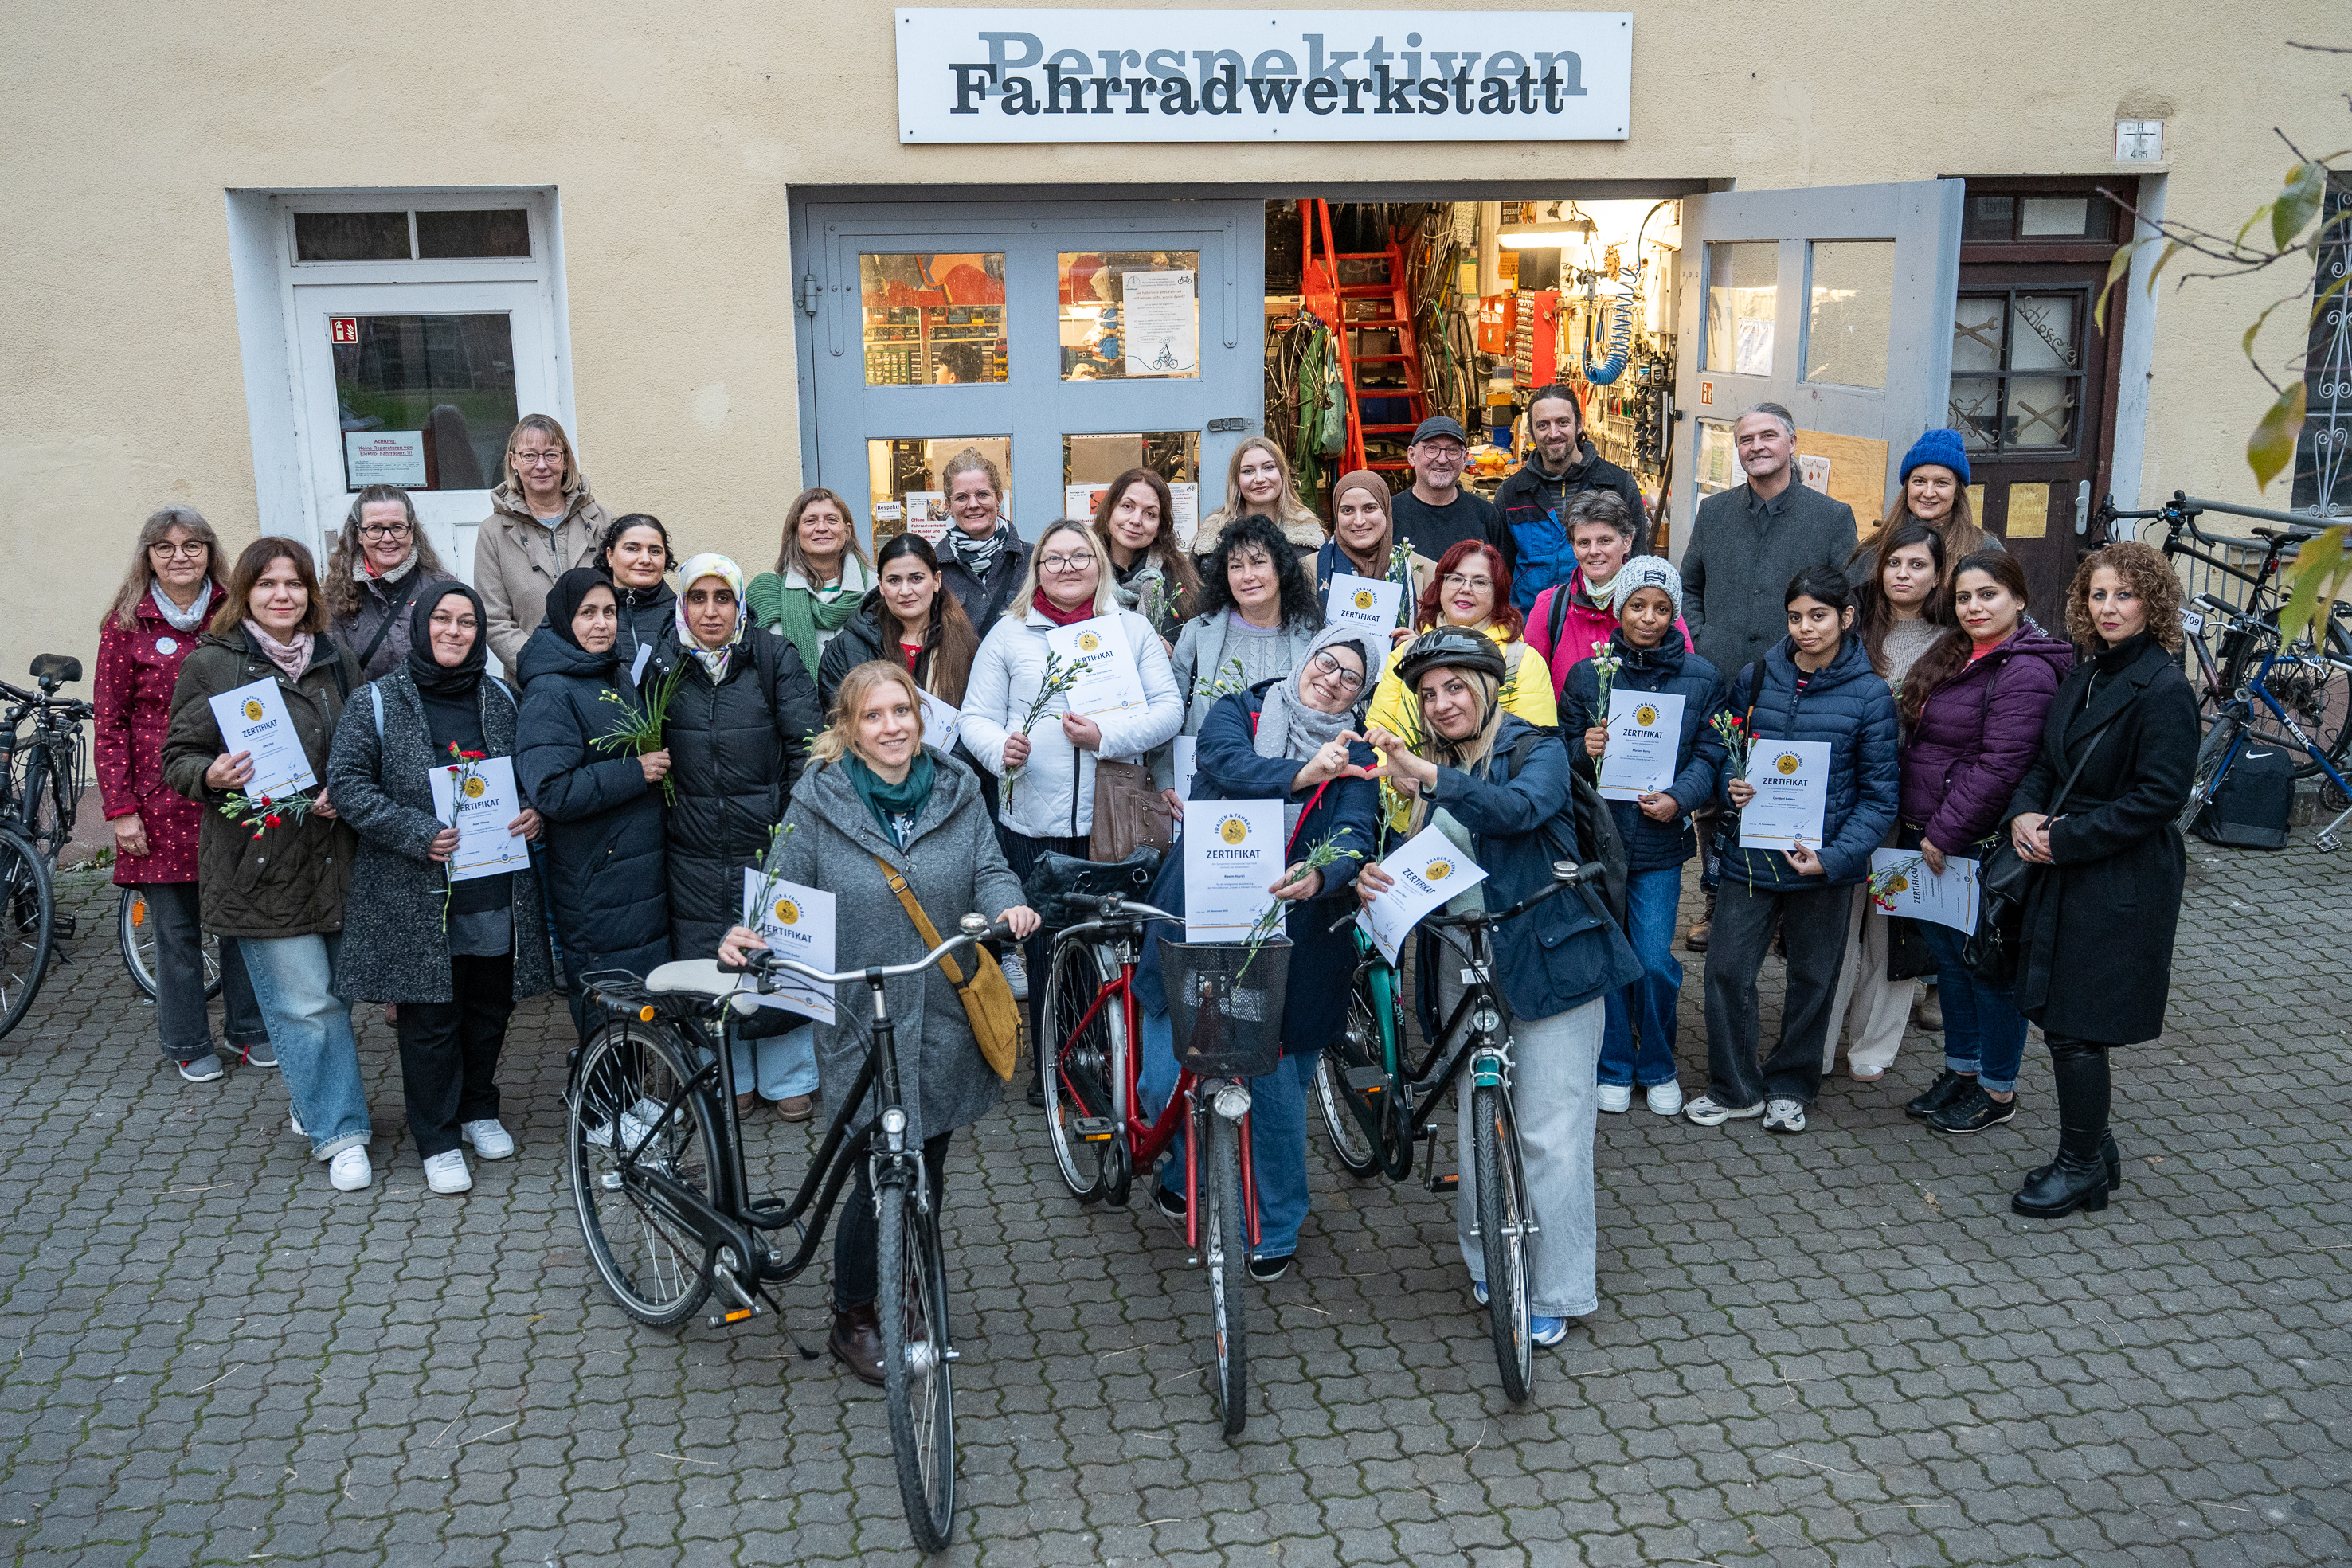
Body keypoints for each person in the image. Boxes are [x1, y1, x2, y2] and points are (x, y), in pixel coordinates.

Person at [715, 660, 1039, 1384]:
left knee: (930, 1158)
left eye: (902, 711)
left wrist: (1008, 903)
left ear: (919, 719)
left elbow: (990, 869)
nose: (891, 726)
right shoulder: (819, 800)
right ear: (848, 728)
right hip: (864, 1013)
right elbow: (782, 886)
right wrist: (749, 931)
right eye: (873, 715)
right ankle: (856, 1315)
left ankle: (907, 1277)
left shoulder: (958, 791)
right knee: (876, 1171)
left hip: (946, 1011)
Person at [1355, 628, 1642, 1343]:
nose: (1442, 702)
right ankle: (1488, 1254)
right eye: (1427, 693)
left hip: (1550, 955)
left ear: (1486, 688)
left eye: (1455, 687)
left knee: (1551, 1131)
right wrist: (1374, 875)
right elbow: (1423, 860)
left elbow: (1520, 811)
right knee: (1477, 1113)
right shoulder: (1431, 764)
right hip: (1462, 957)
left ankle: (1555, 1286)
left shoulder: (1533, 746)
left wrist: (1428, 776)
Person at [1132, 625, 1386, 1280]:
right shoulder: (1241, 710)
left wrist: (1321, 877)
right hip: (1196, 916)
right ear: (1306, 658)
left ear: (1358, 695)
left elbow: (1357, 835)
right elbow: (1224, 764)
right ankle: (1186, 1163)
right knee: (1166, 1078)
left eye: (1349, 678)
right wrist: (1304, 773)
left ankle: (1275, 1223)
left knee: (1273, 1097)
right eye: (1325, 662)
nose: (1330, 678)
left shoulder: (1357, 755)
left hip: (1292, 940)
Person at [160, 538, 373, 1191]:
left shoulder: (337, 659)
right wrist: (213, 773)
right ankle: (341, 1132)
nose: (283, 595)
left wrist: (353, 785)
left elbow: (367, 739)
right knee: (307, 1005)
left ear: (310, 592)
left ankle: (313, 1099)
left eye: (294, 583)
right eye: (267, 584)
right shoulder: (212, 665)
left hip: (338, 855)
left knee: (336, 996)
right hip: (260, 863)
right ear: (244, 593)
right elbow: (177, 759)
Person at [327, 585, 554, 1195]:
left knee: (488, 1006)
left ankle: (479, 1108)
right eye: (443, 620)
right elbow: (347, 783)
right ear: (421, 626)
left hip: (493, 885)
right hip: (416, 888)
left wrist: (534, 810)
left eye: (467, 621)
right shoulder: (375, 701)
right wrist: (416, 831)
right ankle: (437, 1136)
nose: (454, 631)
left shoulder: (503, 696)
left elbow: (534, 769)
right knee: (430, 1018)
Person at [2000, 542, 2196, 1218]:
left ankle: (2080, 1165)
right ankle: (2098, 1150)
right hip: (2062, 862)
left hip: (2118, 877)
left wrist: (2064, 839)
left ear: (2152, 602)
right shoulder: (2082, 674)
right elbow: (2046, 761)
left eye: (2123, 595)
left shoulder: (2163, 689)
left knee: (2077, 1026)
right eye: (2096, 595)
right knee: (2060, 1017)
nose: (2107, 608)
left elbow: (2157, 799)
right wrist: (2024, 812)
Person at [961, 518, 1184, 1060]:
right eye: (1054, 559)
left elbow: (1169, 710)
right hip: (1034, 818)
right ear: (1037, 570)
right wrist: (1000, 749)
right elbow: (975, 716)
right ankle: (1051, 1066)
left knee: (1112, 944)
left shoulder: (1128, 629)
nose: (1067, 568)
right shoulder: (1009, 633)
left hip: (1114, 819)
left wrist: (1105, 736)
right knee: (1044, 946)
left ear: (1099, 565)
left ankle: (1110, 1061)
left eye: (1079, 557)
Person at [1686, 566, 1898, 1136]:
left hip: (1822, 866)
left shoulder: (1871, 695)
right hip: (1750, 858)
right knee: (1727, 971)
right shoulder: (1755, 677)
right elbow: (1723, 749)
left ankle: (1789, 1085)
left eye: (1818, 616)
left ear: (1846, 618)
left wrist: (1834, 857)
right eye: (1795, 617)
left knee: (1813, 980)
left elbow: (1880, 799)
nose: (1805, 628)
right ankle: (1734, 1087)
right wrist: (1729, 785)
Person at [1894, 551, 2072, 1133]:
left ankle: (1997, 1090)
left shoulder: (2024, 669)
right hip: (1932, 837)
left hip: (1973, 841)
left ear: (2018, 599)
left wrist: (1943, 832)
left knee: (1987, 967)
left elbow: (2000, 767)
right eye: (1965, 597)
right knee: (1950, 962)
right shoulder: (1955, 651)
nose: (1974, 607)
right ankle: (1961, 1072)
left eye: (1988, 595)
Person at [92, 506, 270, 1081]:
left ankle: (248, 1030)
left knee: (241, 919)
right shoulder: (126, 625)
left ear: (209, 552)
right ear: (148, 556)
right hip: (159, 798)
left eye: (192, 545)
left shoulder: (236, 613)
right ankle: (188, 1041)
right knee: (175, 931)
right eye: (165, 547)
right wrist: (121, 809)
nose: (179, 557)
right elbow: (110, 722)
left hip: (234, 787)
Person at [1677, 403, 1859, 953]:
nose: (1755, 446)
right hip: (1725, 678)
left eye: (1766, 436)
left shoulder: (1830, 517)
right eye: (1745, 439)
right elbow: (1686, 584)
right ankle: (1716, 897)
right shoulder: (1713, 511)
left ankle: (1783, 909)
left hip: (1795, 684)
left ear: (1791, 442)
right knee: (1716, 798)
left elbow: (1843, 599)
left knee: (1787, 791)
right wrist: (1705, 638)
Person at [649, 555, 823, 1107]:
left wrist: (792, 826)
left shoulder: (772, 657)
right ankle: (729, 1076)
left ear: (740, 602)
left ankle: (790, 1078)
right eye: (697, 598)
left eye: (722, 597)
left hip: (767, 837)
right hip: (694, 844)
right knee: (710, 956)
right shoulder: (661, 666)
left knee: (778, 953)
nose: (710, 610)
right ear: (682, 605)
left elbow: (809, 748)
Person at [1559, 557, 1722, 1117]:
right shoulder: (1589, 675)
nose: (1648, 618)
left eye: (1660, 607)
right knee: (1609, 957)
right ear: (1617, 610)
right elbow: (1560, 755)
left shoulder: (1700, 678)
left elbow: (1711, 752)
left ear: (1674, 613)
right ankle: (1612, 1065)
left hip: (1658, 843)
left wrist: (1681, 795)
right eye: (1636, 605)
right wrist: (1586, 746)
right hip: (1603, 842)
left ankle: (1656, 1063)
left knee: (1652, 959)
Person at [1818, 519, 1955, 1081]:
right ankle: (1818, 1042)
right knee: (1834, 929)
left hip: (1912, 807)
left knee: (1891, 927)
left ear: (1937, 574)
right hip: (1848, 801)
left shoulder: (1955, 641)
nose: (1903, 573)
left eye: (1916, 564)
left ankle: (1872, 1046)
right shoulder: (1851, 628)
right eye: (1894, 562)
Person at [514, 569, 673, 1036]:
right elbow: (551, 790)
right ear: (563, 620)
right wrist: (635, 772)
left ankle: (636, 1097)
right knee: (608, 995)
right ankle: (604, 1105)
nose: (602, 624)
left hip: (633, 867)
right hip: (595, 873)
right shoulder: (550, 689)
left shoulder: (612, 671)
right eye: (587, 614)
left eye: (608, 612)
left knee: (636, 997)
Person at [1363, 540, 1559, 749]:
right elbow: (1378, 732)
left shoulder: (1523, 660)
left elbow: (1536, 749)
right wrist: (1395, 779)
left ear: (1498, 594)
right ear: (1439, 586)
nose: (1466, 589)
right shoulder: (1406, 653)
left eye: (1480, 582)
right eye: (1456, 579)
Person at [1525, 490, 1691, 705]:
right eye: (1584, 542)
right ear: (1574, 548)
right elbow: (1530, 687)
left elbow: (1688, 676)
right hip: (1567, 734)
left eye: (1604, 540)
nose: (1594, 551)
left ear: (1627, 542)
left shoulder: (1657, 605)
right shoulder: (1551, 608)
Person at [475, 415, 612, 671]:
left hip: (603, 673)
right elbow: (494, 619)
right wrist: (543, 664)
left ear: (566, 461)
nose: (541, 465)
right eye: (529, 455)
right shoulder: (493, 532)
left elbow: (624, 598)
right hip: (535, 681)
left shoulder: (601, 521)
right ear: (513, 460)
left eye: (551, 455)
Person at [1496, 384, 1646, 609]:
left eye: (1562, 422)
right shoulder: (1511, 494)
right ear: (1531, 432)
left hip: (1602, 627)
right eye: (1543, 425)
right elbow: (1500, 574)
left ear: (1579, 424)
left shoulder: (1618, 485)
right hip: (1531, 629)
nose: (1553, 433)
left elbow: (1638, 564)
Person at [816, 533, 980, 710]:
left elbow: (980, 719)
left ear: (936, 580)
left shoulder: (967, 645)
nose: (905, 591)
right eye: (894, 580)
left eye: (916, 578)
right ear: (881, 585)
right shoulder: (844, 650)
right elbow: (837, 723)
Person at [321, 486, 457, 682]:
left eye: (397, 527)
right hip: (371, 708)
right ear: (359, 534)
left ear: (411, 533)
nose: (387, 538)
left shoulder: (442, 588)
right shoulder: (336, 596)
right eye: (375, 528)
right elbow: (337, 675)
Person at [745, 487, 875, 676]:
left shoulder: (877, 590)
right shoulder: (767, 592)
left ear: (847, 531)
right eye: (810, 520)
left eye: (831, 519)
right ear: (796, 532)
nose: (821, 528)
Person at [1309, 469, 1434, 648]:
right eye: (1347, 510)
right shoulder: (1308, 570)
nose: (1359, 520)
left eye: (1370, 508)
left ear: (1386, 509)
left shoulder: (1428, 572)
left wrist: (1422, 645)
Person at [1386, 416, 1512, 577]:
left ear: (1465, 459)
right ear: (1412, 455)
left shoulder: (1486, 516)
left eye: (1452, 450)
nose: (1442, 459)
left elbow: (1500, 581)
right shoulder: (1389, 515)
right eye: (1431, 449)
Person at [1090, 467, 1200, 646]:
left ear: (1159, 527)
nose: (1135, 520)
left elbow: (1193, 649)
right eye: (1128, 506)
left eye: (1150, 514)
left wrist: (1174, 654)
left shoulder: (1178, 580)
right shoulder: (1082, 568)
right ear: (1110, 509)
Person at [933, 448, 1031, 632]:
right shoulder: (932, 568)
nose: (973, 505)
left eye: (982, 494)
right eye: (961, 497)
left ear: (999, 499)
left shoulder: (1034, 561)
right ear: (949, 506)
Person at [1188, 436, 1325, 560]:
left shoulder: (1310, 533)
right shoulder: (1211, 536)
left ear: (1282, 474)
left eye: (1268, 467)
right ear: (1236, 480)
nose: (1259, 479)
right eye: (1248, 471)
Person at [1888, 428, 1999, 566]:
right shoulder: (1878, 546)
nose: (1929, 493)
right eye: (1919, 481)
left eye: (1942, 483)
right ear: (1907, 486)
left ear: (1957, 492)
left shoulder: (1984, 548)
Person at [599, 513, 678, 675]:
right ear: (610, 555)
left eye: (655, 551)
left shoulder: (682, 614)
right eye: (632, 549)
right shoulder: (583, 611)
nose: (645, 559)